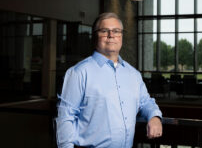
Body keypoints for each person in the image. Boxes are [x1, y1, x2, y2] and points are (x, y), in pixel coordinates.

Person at [56, 12, 163, 148]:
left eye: (116, 31)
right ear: (95, 36)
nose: (111, 35)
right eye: (105, 31)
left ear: (121, 36)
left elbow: (146, 102)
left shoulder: (133, 74)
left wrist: (154, 117)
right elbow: (65, 118)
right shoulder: (78, 73)